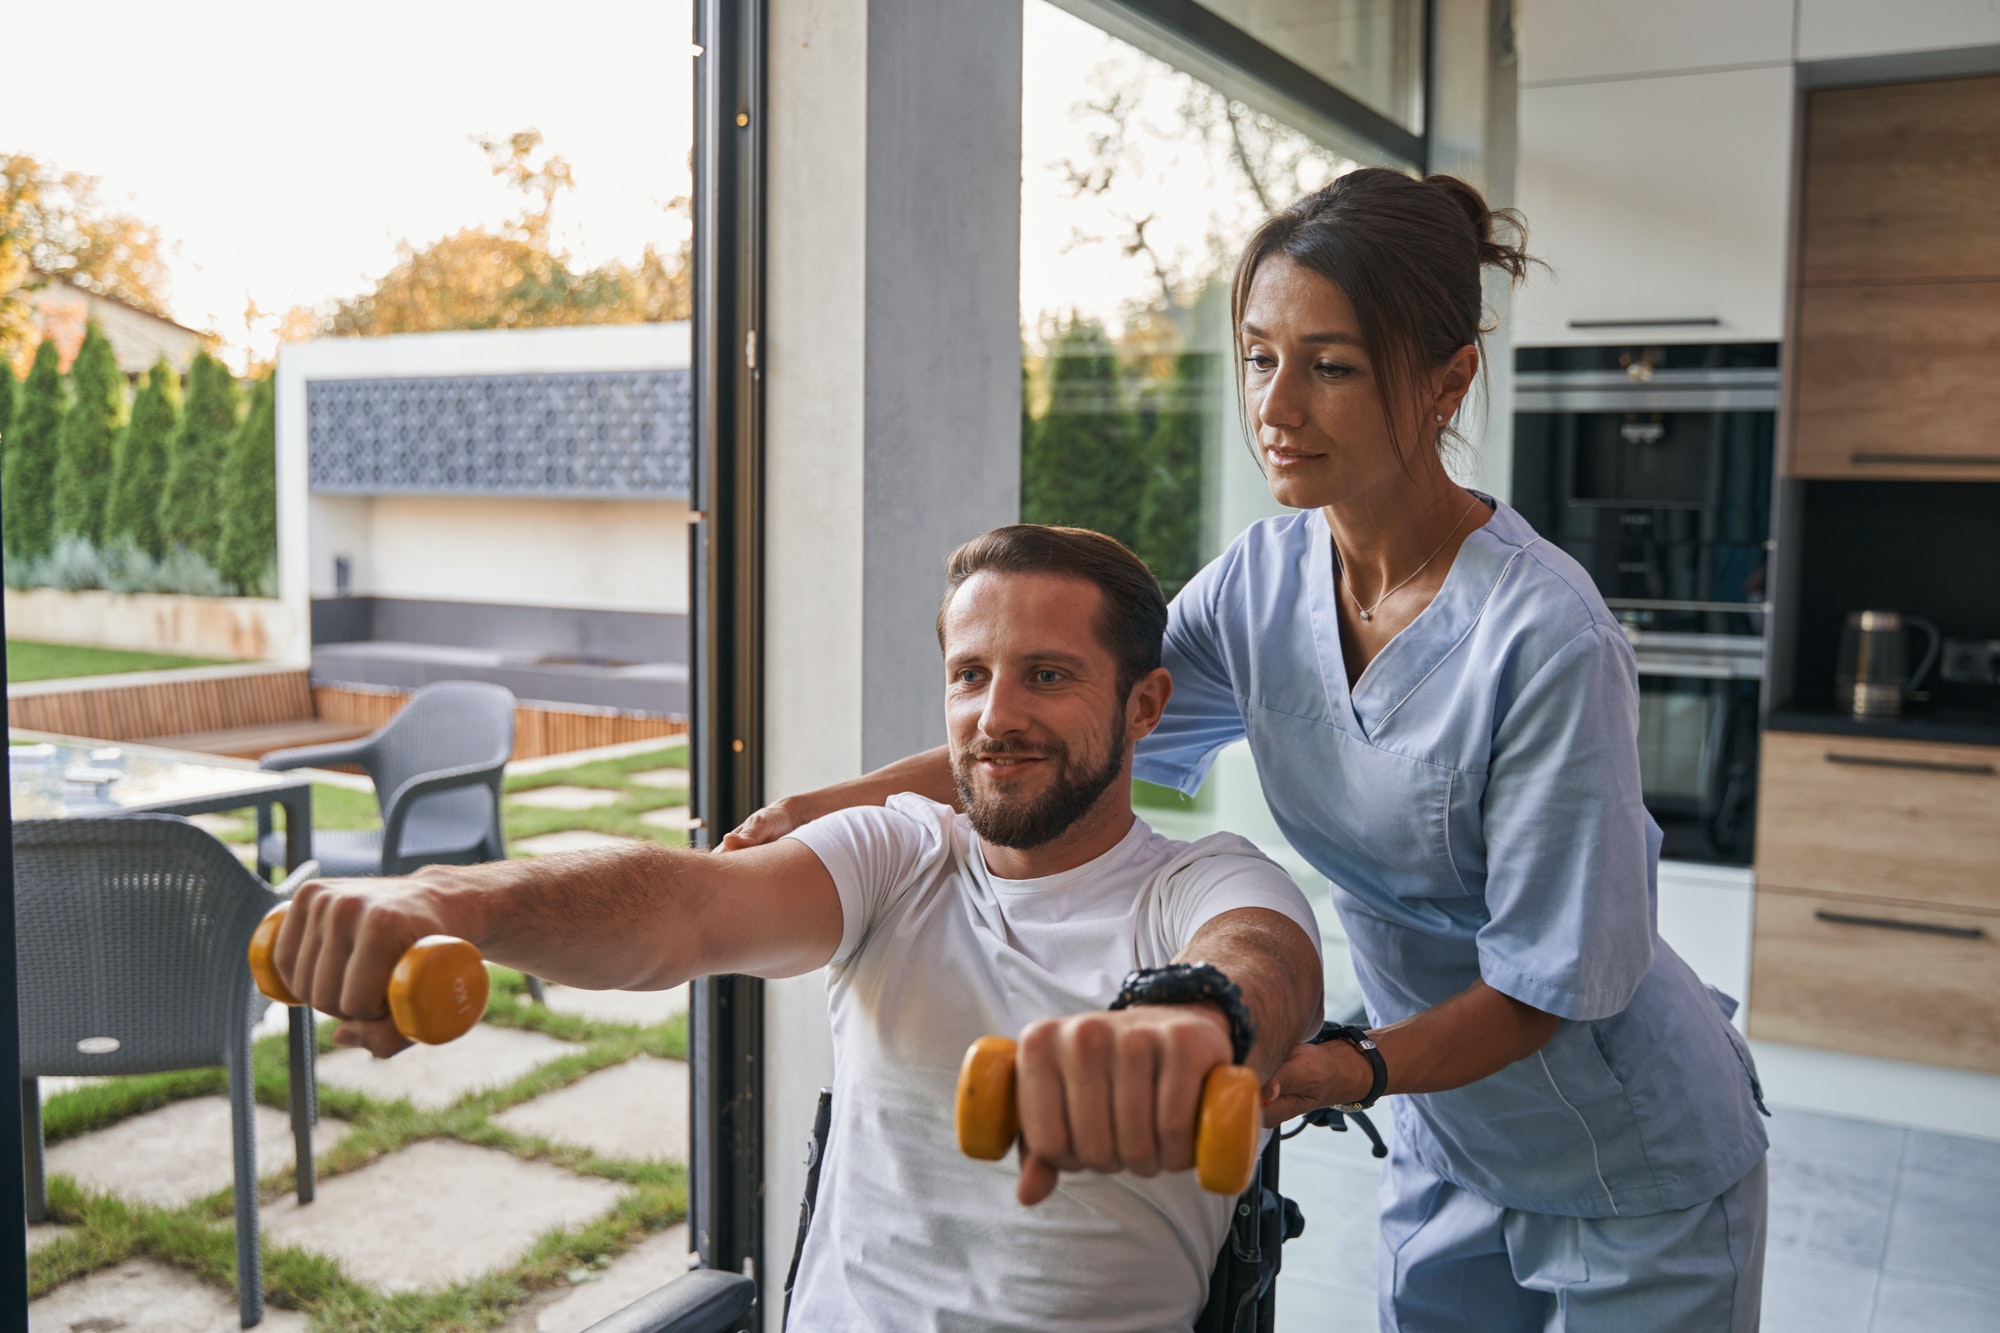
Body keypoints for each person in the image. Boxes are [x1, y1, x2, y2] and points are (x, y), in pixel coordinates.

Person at [725, 169, 1772, 1331]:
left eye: (1328, 366)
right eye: (1258, 356)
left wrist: (1346, 1067)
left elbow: (1550, 983)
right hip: (1448, 1128)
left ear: (1446, 382)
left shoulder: (1544, 637)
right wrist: (832, 802)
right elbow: (1071, 730)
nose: (1276, 405)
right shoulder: (1262, 580)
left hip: (1624, 1145)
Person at [271, 524, 1325, 1332]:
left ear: (1143, 706)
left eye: (1045, 675)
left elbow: (1262, 963)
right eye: (969, 674)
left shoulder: (1202, 879)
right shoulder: (902, 850)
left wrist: (1192, 1021)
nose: (994, 714)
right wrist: (457, 901)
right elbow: (680, 905)